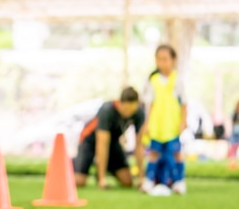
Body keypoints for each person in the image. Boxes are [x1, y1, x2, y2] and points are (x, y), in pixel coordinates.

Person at [74, 87, 146, 189]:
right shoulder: (107, 110)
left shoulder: (138, 113)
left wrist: (141, 178)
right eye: (126, 109)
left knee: (127, 182)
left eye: (131, 110)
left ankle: (101, 169)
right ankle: (74, 163)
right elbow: (102, 144)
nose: (128, 113)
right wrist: (102, 179)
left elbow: (139, 145)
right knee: (79, 182)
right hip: (90, 141)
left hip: (113, 143)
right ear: (120, 103)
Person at [141, 44, 188, 195]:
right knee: (153, 152)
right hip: (157, 125)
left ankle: (179, 181)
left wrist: (183, 121)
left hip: (172, 125)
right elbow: (149, 104)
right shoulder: (153, 80)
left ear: (173, 60)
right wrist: (147, 124)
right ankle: (149, 180)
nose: (162, 62)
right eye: (159, 59)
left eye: (165, 59)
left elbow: (184, 104)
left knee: (176, 153)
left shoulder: (177, 79)